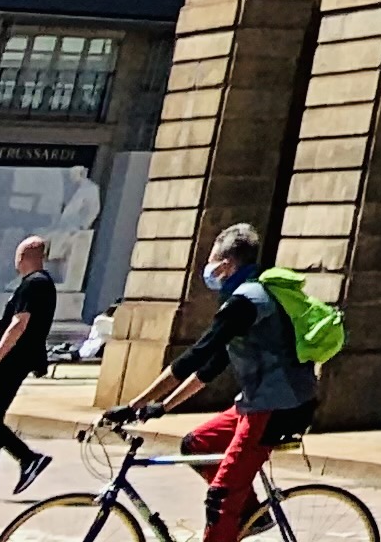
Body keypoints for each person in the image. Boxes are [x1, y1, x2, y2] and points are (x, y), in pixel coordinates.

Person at [107, 223, 314, 542]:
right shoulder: (246, 295)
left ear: (226, 265)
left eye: (211, 260)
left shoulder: (247, 301)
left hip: (278, 406)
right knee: (197, 445)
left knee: (221, 498)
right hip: (258, 401)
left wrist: (134, 405)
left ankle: (231, 518)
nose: (208, 268)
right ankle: (250, 516)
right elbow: (212, 366)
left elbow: (197, 355)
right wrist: (162, 406)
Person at [0, 236, 54, 494]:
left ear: (24, 256)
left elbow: (19, 325)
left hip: (12, 360)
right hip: (19, 359)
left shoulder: (34, 283)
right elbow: (18, 321)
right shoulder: (40, 284)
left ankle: (28, 457)